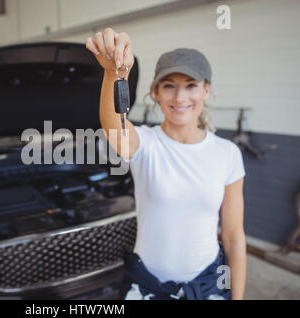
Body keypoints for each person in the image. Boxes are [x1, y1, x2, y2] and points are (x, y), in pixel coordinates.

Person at [85, 28, 246, 300]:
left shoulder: (227, 153)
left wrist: (238, 297)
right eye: (169, 85)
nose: (180, 98)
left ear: (206, 90)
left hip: (207, 286)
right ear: (156, 93)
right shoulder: (145, 144)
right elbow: (112, 127)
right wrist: (114, 73)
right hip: (147, 287)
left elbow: (233, 236)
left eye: (191, 85)